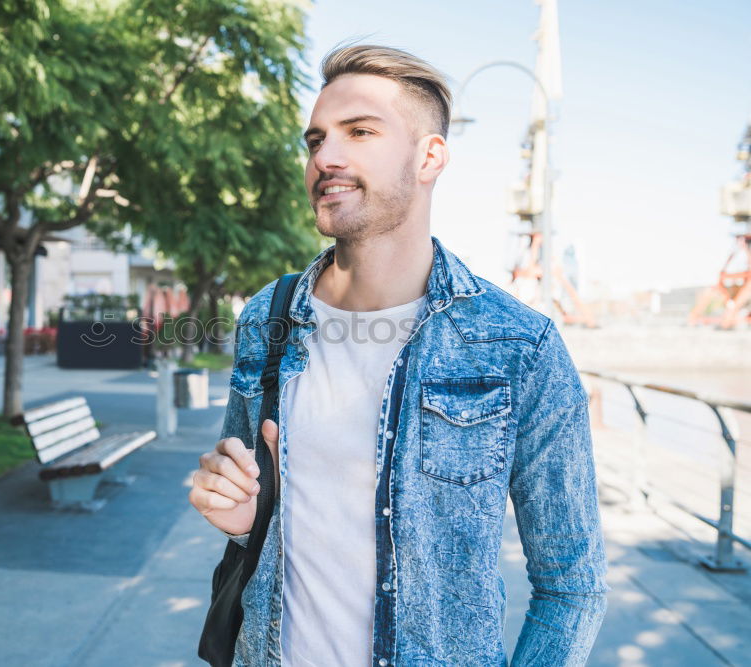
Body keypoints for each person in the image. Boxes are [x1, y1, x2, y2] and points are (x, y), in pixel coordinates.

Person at [188, 44, 608, 666]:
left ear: (430, 155)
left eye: (360, 132)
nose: (325, 157)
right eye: (315, 140)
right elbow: (261, 513)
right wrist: (245, 515)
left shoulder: (521, 345)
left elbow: (572, 586)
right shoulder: (266, 319)